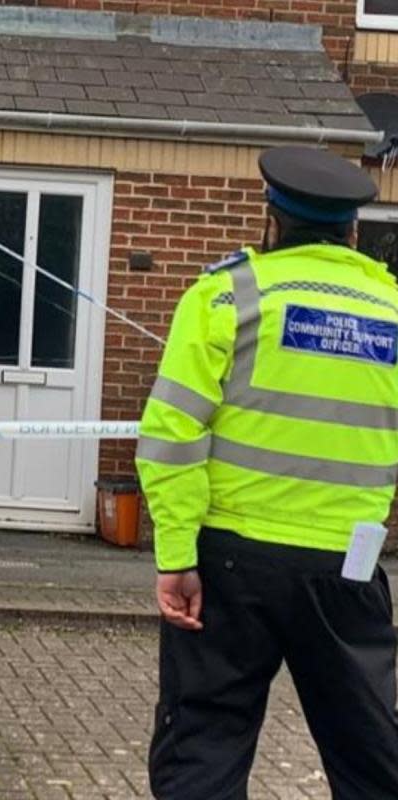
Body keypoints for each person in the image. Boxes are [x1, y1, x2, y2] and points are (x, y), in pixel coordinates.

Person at [136, 146, 398, 800]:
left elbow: (172, 433)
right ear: (353, 231)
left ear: (271, 221)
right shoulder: (392, 307)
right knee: (374, 758)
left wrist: (175, 557)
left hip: (229, 566)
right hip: (348, 566)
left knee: (203, 751)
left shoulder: (224, 296)